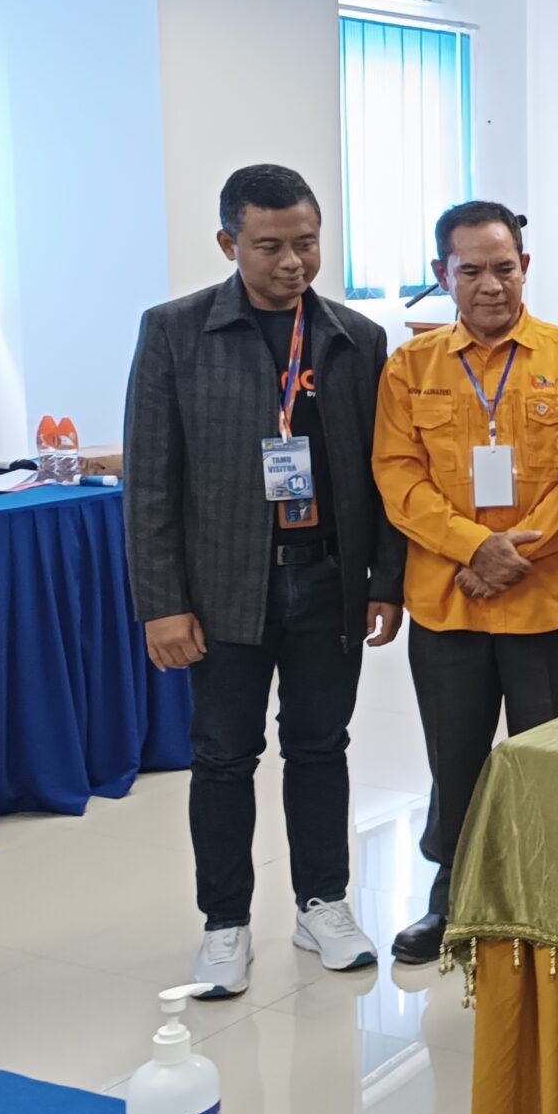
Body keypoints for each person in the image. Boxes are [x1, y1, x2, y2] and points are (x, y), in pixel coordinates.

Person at [123, 164, 402, 998]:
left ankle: (323, 905)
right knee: (222, 757)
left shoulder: (357, 337)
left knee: (320, 747)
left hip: (328, 582)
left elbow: (386, 472)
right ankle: (225, 924)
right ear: (228, 243)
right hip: (224, 590)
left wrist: (385, 580)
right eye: (271, 246)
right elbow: (150, 482)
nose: (292, 263)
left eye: (307, 243)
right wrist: (162, 604)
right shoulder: (175, 332)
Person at [374, 201, 558, 966]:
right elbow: (398, 476)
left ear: (525, 267)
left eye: (504, 268)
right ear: (442, 274)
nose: (489, 285)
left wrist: (513, 555)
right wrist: (476, 548)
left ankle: (548, 899)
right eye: (470, 269)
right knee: (456, 759)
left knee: (546, 757)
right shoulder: (410, 367)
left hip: (546, 601)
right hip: (449, 603)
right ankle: (453, 897)